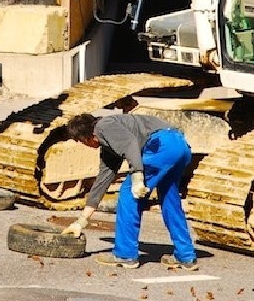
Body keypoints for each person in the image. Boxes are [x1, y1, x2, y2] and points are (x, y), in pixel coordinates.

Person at [63, 112, 198, 271]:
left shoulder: (103, 126)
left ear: (86, 137)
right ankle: (186, 256)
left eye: (80, 141)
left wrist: (137, 176)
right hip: (179, 145)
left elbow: (130, 143)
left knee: (128, 195)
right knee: (170, 199)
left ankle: (125, 254)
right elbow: (102, 182)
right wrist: (81, 221)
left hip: (161, 147)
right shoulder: (109, 143)